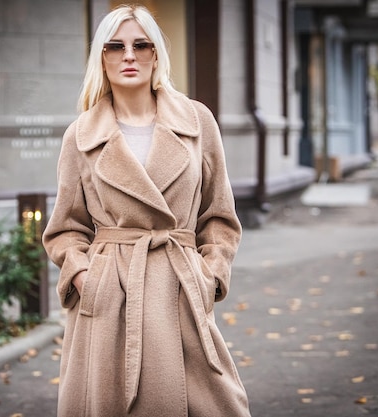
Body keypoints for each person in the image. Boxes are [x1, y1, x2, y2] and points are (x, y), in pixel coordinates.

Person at [42, 4, 251, 416]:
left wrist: (207, 276)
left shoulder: (196, 122)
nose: (129, 56)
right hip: (109, 303)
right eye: (115, 46)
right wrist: (86, 277)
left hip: (179, 290)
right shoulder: (81, 135)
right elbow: (65, 229)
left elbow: (220, 218)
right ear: (101, 57)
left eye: (141, 45)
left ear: (156, 54)